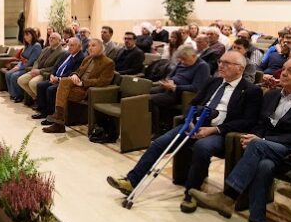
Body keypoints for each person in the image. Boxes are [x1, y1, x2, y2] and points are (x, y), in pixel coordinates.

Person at [187, 58, 291, 222]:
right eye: (284, 69)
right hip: (266, 151)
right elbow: (260, 124)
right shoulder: (272, 95)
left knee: (257, 146)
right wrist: (255, 137)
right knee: (264, 166)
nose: (284, 73)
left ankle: (228, 196)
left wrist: (261, 141)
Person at [106, 51, 262, 212]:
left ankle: (191, 193)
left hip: (220, 132)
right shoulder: (213, 82)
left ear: (240, 68)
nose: (221, 65)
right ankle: (131, 182)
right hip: (195, 124)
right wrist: (190, 120)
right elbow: (194, 103)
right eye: (220, 61)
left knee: (202, 147)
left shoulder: (251, 90)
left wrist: (214, 129)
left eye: (226, 63)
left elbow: (247, 121)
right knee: (159, 143)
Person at [42, 39, 115, 133]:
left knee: (61, 91)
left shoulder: (108, 62)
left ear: (101, 47)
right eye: (89, 46)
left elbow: (103, 81)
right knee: (64, 81)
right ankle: (58, 120)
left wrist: (83, 83)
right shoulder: (87, 59)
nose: (90, 48)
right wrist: (75, 75)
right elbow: (78, 71)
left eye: (93, 45)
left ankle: (58, 122)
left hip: (87, 89)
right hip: (77, 85)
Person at [148, 45, 211, 134]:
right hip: (169, 87)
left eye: (184, 59)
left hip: (181, 94)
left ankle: (155, 130)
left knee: (151, 100)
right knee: (145, 92)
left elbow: (196, 87)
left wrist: (175, 88)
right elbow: (170, 75)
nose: (182, 61)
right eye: (180, 59)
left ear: (193, 56)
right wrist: (168, 81)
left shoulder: (202, 66)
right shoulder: (182, 63)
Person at [32, 37, 84, 121]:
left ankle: (51, 114)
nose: (69, 47)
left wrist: (59, 79)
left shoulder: (80, 58)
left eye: (72, 45)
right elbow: (56, 66)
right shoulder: (66, 54)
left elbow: (72, 72)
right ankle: (43, 111)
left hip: (64, 81)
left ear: (79, 47)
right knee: (40, 85)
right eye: (68, 45)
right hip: (55, 78)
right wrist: (52, 74)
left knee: (51, 89)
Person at [19, 32, 66, 104]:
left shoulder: (62, 52)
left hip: (46, 73)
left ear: (59, 40)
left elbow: (55, 67)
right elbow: (37, 61)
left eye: (53, 38)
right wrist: (34, 69)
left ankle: (41, 101)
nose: (51, 39)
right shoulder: (46, 49)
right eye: (50, 38)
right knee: (21, 80)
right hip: (36, 70)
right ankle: (36, 97)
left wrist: (40, 71)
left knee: (32, 83)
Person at [6, 28, 42, 102]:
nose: (25, 37)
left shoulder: (36, 46)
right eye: (25, 35)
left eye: (27, 35)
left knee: (14, 76)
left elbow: (31, 61)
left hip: (30, 67)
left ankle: (19, 95)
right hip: (22, 65)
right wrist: (18, 66)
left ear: (32, 35)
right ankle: (12, 94)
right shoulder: (27, 45)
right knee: (8, 74)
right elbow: (22, 59)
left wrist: (19, 68)